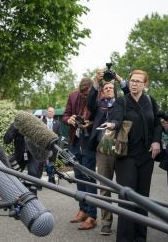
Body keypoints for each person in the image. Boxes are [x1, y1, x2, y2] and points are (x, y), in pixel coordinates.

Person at [106, 69, 161, 242]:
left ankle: (140, 237)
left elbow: (158, 123)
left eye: (138, 81)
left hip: (146, 156)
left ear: (145, 84)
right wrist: (113, 124)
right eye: (132, 80)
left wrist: (156, 141)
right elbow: (117, 117)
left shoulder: (150, 101)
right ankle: (124, 238)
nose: (134, 83)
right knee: (127, 196)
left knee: (143, 197)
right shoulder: (123, 101)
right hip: (126, 155)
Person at [87, 69, 129, 236]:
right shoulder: (98, 105)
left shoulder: (122, 103)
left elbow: (128, 93)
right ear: (102, 93)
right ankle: (106, 223)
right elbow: (89, 101)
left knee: (123, 187)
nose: (108, 89)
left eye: (111, 88)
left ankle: (125, 222)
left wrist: (117, 78)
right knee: (104, 187)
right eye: (105, 88)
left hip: (120, 148)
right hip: (102, 151)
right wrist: (97, 82)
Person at [62, 77, 97, 230]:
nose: (85, 96)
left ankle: (92, 215)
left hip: (89, 143)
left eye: (88, 94)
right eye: (83, 94)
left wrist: (90, 124)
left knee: (89, 178)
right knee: (79, 177)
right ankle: (83, 210)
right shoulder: (73, 96)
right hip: (75, 142)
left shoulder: (98, 95)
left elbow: (101, 118)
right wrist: (68, 119)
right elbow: (65, 115)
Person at [42, 106, 62, 184]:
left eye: (52, 112)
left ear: (54, 114)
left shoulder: (57, 123)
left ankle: (51, 178)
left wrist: (57, 144)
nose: (50, 113)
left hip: (54, 146)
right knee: (45, 161)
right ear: (47, 112)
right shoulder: (42, 121)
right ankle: (49, 174)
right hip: (43, 146)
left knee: (52, 162)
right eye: (49, 111)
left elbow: (60, 135)